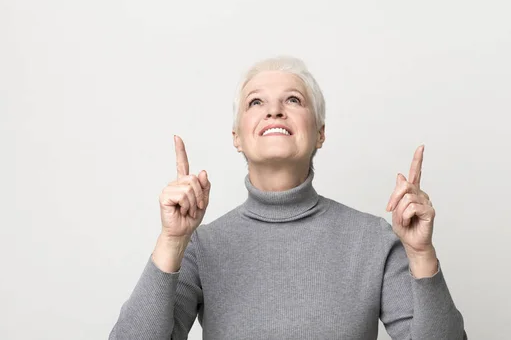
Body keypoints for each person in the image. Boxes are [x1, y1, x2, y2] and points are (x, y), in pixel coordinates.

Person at [108, 56, 467, 339]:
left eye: (293, 100)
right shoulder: (202, 246)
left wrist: (421, 255)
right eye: (256, 102)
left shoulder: (373, 239)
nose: (274, 110)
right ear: (237, 136)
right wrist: (171, 242)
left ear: (320, 133)